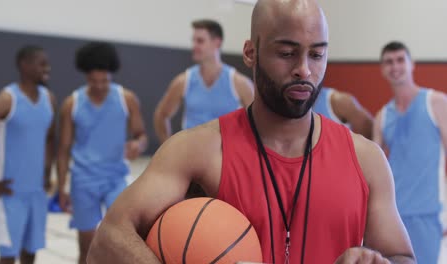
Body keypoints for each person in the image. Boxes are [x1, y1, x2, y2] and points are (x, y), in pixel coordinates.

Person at [88, 1, 415, 263]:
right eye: (287, 53)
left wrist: (374, 261)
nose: (304, 68)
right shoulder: (196, 150)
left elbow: (401, 255)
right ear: (250, 53)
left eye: (317, 54)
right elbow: (110, 238)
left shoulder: (366, 160)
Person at [57, 42, 148, 264]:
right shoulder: (72, 104)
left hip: (116, 179)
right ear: (86, 76)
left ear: (111, 75)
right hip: (83, 180)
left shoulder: (127, 99)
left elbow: (141, 135)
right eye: (93, 81)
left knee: (122, 241)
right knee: (87, 247)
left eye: (104, 80)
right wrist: (61, 187)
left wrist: (138, 145)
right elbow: (63, 150)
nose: (99, 86)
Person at [0, 45, 55, 264]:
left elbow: (50, 137)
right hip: (11, 194)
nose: (47, 68)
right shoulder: (7, 99)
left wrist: (47, 172)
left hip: (37, 193)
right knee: (8, 258)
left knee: (30, 255)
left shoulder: (48, 98)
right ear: (25, 65)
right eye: (41, 63)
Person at [373, 41, 447, 264]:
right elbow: (373, 172)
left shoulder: (436, 102)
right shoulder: (382, 117)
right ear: (382, 69)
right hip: (393, 217)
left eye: (399, 60)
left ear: (411, 64)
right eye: (389, 62)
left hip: (429, 214)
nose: (395, 66)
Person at [153, 19, 254, 144]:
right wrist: (168, 147)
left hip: (226, 156)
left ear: (216, 43)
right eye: (193, 41)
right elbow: (161, 115)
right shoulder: (183, 81)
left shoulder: (240, 83)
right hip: (191, 156)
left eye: (200, 41)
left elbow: (258, 123)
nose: (194, 46)